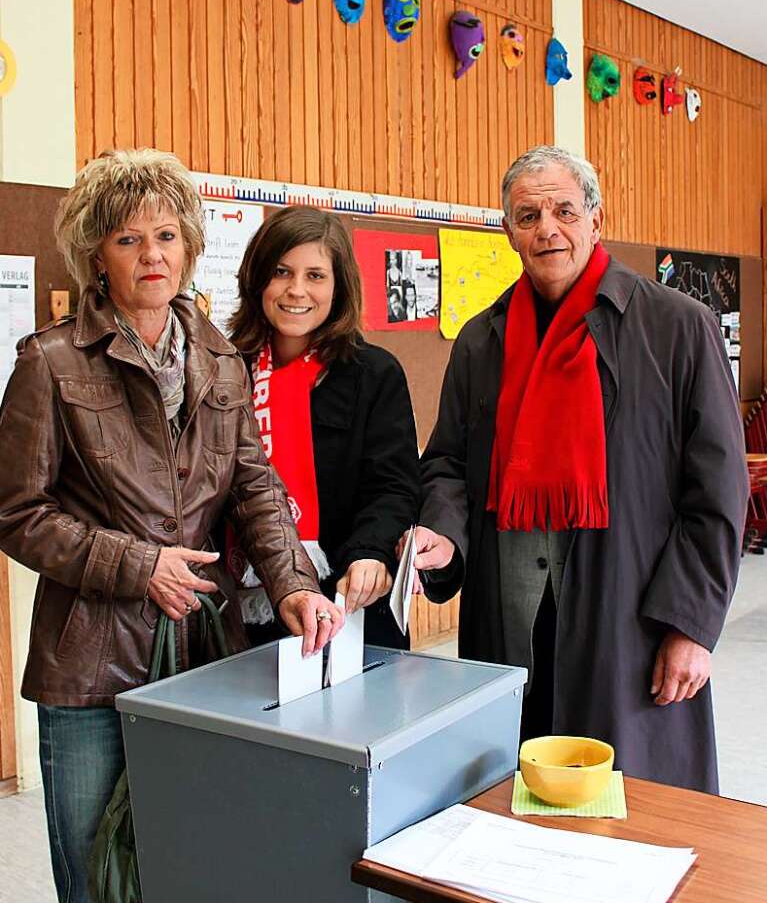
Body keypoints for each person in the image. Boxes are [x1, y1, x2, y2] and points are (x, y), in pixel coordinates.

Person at [0, 150, 343, 903]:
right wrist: (136, 564)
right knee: (98, 874)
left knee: (191, 860)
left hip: (203, 649)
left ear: (189, 244)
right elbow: (16, 513)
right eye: (127, 239)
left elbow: (255, 486)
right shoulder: (50, 362)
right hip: (90, 662)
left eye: (164, 236)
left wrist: (292, 584)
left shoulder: (220, 359)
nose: (150, 254)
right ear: (97, 253)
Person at [411, 144, 748, 794]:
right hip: (506, 621)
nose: (546, 229)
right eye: (527, 215)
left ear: (596, 218)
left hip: (630, 615)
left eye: (563, 210)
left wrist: (690, 624)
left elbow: (716, 491)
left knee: (635, 798)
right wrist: (444, 533)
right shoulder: (483, 339)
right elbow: (448, 461)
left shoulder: (676, 327)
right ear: (507, 230)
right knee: (512, 793)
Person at [228, 206, 420, 649]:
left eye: (316, 275)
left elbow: (394, 486)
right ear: (257, 279)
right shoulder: (224, 369)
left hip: (349, 605)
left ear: (339, 286)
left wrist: (370, 553)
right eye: (281, 271)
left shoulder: (373, 373)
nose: (296, 290)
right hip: (243, 613)